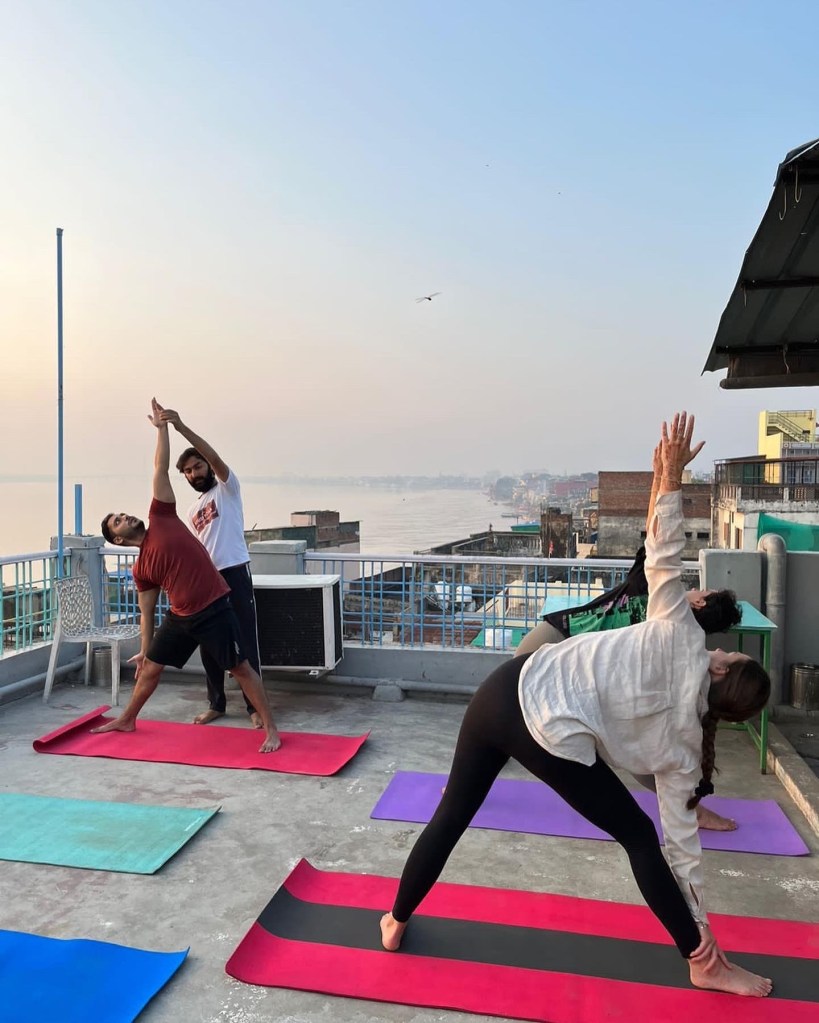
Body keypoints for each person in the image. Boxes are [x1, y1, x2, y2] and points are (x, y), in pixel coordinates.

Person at [380, 412, 773, 998]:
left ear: (721, 668)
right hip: (542, 725)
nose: (720, 648)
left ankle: (395, 919)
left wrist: (668, 475)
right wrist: (702, 930)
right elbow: (683, 851)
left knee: (454, 813)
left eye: (727, 652)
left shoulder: (679, 633)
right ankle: (701, 962)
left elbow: (662, 552)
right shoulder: (686, 752)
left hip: (502, 689)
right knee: (639, 836)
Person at [516, 448, 744, 832]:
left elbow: (656, 535)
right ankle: (692, 809)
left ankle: (470, 778)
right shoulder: (671, 630)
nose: (694, 588)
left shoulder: (658, 599)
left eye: (701, 589)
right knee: (510, 717)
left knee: (642, 746)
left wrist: (664, 476)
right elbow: (655, 534)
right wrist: (662, 474)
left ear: (699, 602)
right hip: (560, 646)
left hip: (564, 647)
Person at [94, 398, 281, 754]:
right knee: (151, 667)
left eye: (123, 513)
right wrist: (145, 649)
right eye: (118, 520)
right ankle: (128, 718)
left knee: (241, 664)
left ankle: (268, 726)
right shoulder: (142, 567)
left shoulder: (163, 515)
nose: (126, 516)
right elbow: (146, 610)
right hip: (181, 615)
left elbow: (159, 467)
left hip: (215, 600)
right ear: (117, 539)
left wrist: (165, 428)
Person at [153, 401, 262, 728]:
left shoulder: (228, 489)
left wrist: (180, 427)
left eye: (197, 467)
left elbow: (214, 457)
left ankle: (255, 708)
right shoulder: (192, 510)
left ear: (207, 467)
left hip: (234, 573)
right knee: (208, 645)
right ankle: (216, 703)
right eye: (187, 472)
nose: (193, 474)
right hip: (207, 582)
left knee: (245, 642)